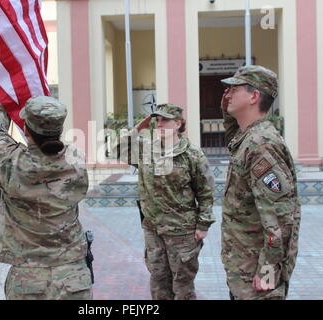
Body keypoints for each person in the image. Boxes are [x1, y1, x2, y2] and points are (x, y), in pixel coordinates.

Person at [0, 96, 93, 300]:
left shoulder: (11, 160)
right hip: (73, 276)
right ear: (60, 129)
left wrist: (4, 104)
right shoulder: (75, 158)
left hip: (28, 277)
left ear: (25, 130)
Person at [117, 104, 215, 300]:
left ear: (178, 124)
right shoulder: (146, 151)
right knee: (158, 280)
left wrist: (203, 224)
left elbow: (205, 191)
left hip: (182, 230)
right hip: (153, 229)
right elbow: (119, 150)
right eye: (157, 120)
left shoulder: (192, 155)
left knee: (182, 285)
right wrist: (139, 128)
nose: (159, 124)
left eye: (165, 120)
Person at [220, 65, 301, 300]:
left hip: (257, 271)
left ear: (254, 96)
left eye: (234, 89)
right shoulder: (249, 137)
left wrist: (269, 268)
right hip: (244, 264)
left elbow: (280, 216)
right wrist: (227, 111)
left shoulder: (262, 143)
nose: (228, 94)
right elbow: (233, 139)